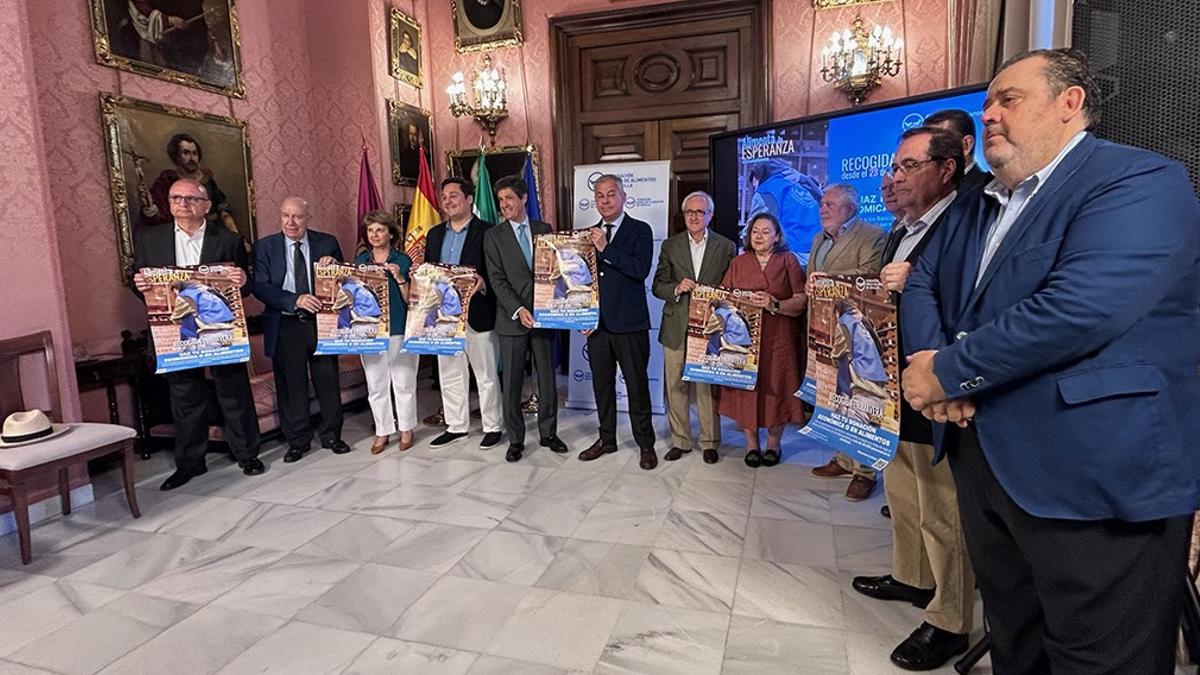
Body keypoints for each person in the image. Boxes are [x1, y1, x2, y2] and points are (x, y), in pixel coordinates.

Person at [901, 48, 1200, 674]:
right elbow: (924, 279)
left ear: (1071, 103)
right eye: (986, 104)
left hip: (1092, 472)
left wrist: (947, 373)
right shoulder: (977, 202)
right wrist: (933, 360)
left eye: (1008, 99)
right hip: (983, 460)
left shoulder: (1139, 181)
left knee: (1102, 660)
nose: (989, 115)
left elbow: (1080, 309)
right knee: (1017, 645)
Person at [851, 125, 976, 671]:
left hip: (937, 385)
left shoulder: (966, 219)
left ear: (946, 169)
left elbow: (976, 296)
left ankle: (949, 620)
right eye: (893, 168)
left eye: (906, 167)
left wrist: (913, 282)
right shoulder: (901, 229)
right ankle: (911, 577)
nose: (894, 177)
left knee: (942, 507)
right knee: (903, 488)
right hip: (894, 383)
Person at [131, 178, 263, 490]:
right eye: (176, 198)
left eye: (190, 199)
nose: (182, 204)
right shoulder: (150, 240)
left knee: (233, 391)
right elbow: (142, 285)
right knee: (184, 396)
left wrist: (242, 279)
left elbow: (243, 286)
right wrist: (141, 287)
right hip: (178, 329)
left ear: (206, 205)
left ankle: (247, 454)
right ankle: (190, 463)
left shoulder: (229, 240)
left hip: (220, 329)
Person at [252, 197, 351, 463]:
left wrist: (337, 268)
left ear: (308, 218)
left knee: (327, 380)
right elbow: (259, 286)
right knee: (291, 385)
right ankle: (298, 441)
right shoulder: (265, 247)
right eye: (285, 216)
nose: (291, 222)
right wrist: (293, 299)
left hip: (321, 323)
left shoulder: (326, 242)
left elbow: (343, 282)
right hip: (285, 323)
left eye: (297, 217)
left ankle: (332, 435)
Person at [806, 183, 887, 500]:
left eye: (829, 204)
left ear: (850, 209)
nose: (822, 208)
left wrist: (828, 281)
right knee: (835, 398)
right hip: (823, 331)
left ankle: (865, 471)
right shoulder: (818, 239)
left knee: (861, 399)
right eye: (822, 204)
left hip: (855, 333)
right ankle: (843, 458)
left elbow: (870, 275)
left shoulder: (872, 235)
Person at [482, 175, 569, 462]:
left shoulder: (544, 230)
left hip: (545, 317)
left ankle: (548, 433)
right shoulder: (493, 236)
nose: (504, 204)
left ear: (523, 199)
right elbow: (496, 279)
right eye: (501, 200)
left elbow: (554, 271)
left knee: (547, 378)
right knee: (512, 383)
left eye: (509, 198)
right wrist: (519, 309)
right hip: (511, 319)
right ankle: (516, 440)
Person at [576, 175, 657, 470]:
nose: (605, 200)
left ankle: (645, 444)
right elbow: (581, 280)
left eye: (611, 194)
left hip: (630, 325)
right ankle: (606, 439)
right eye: (600, 195)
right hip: (597, 327)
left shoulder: (640, 230)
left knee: (637, 387)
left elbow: (640, 270)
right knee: (602, 387)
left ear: (623, 197)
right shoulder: (588, 234)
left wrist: (606, 249)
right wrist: (582, 314)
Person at [651, 190, 735, 464]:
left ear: (710, 215)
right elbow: (657, 285)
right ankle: (680, 441)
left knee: (705, 385)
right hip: (676, 325)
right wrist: (676, 287)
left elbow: (733, 288)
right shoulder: (670, 245)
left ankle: (710, 442)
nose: (694, 217)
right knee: (675, 384)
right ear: (684, 215)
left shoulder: (726, 246)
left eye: (700, 212)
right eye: (690, 212)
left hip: (710, 328)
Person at [718, 213, 807, 468]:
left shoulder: (788, 260)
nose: (759, 236)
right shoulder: (738, 262)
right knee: (747, 389)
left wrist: (774, 303)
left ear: (777, 236)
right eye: (755, 231)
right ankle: (751, 444)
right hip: (744, 339)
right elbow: (724, 295)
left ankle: (773, 443)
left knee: (776, 387)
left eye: (766, 231)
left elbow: (801, 298)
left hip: (779, 337)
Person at [424, 177, 503, 450]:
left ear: (469, 199)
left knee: (487, 374)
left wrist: (484, 283)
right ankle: (456, 426)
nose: (448, 200)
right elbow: (429, 271)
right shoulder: (434, 234)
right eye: (444, 196)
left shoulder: (488, 231)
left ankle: (493, 426)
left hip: (478, 313)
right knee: (449, 373)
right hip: (444, 316)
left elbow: (498, 271)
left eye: (454, 195)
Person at [353, 210, 417, 455]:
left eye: (380, 230)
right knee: (376, 384)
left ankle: (407, 428)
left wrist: (399, 277)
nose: (375, 235)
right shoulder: (360, 261)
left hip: (399, 328)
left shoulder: (403, 260)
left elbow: (411, 298)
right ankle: (383, 430)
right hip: (370, 331)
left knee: (404, 381)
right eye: (370, 230)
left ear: (391, 233)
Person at [141, 133, 238, 237]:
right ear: (177, 156)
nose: (191, 158)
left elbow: (223, 210)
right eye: (186, 153)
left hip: (212, 235)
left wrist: (235, 236)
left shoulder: (207, 180)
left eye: (194, 153)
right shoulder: (167, 180)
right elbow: (157, 213)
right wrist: (150, 208)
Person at [923, 108, 992, 193]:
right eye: (927, 145)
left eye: (939, 143)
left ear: (966, 145)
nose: (929, 153)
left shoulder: (989, 193)